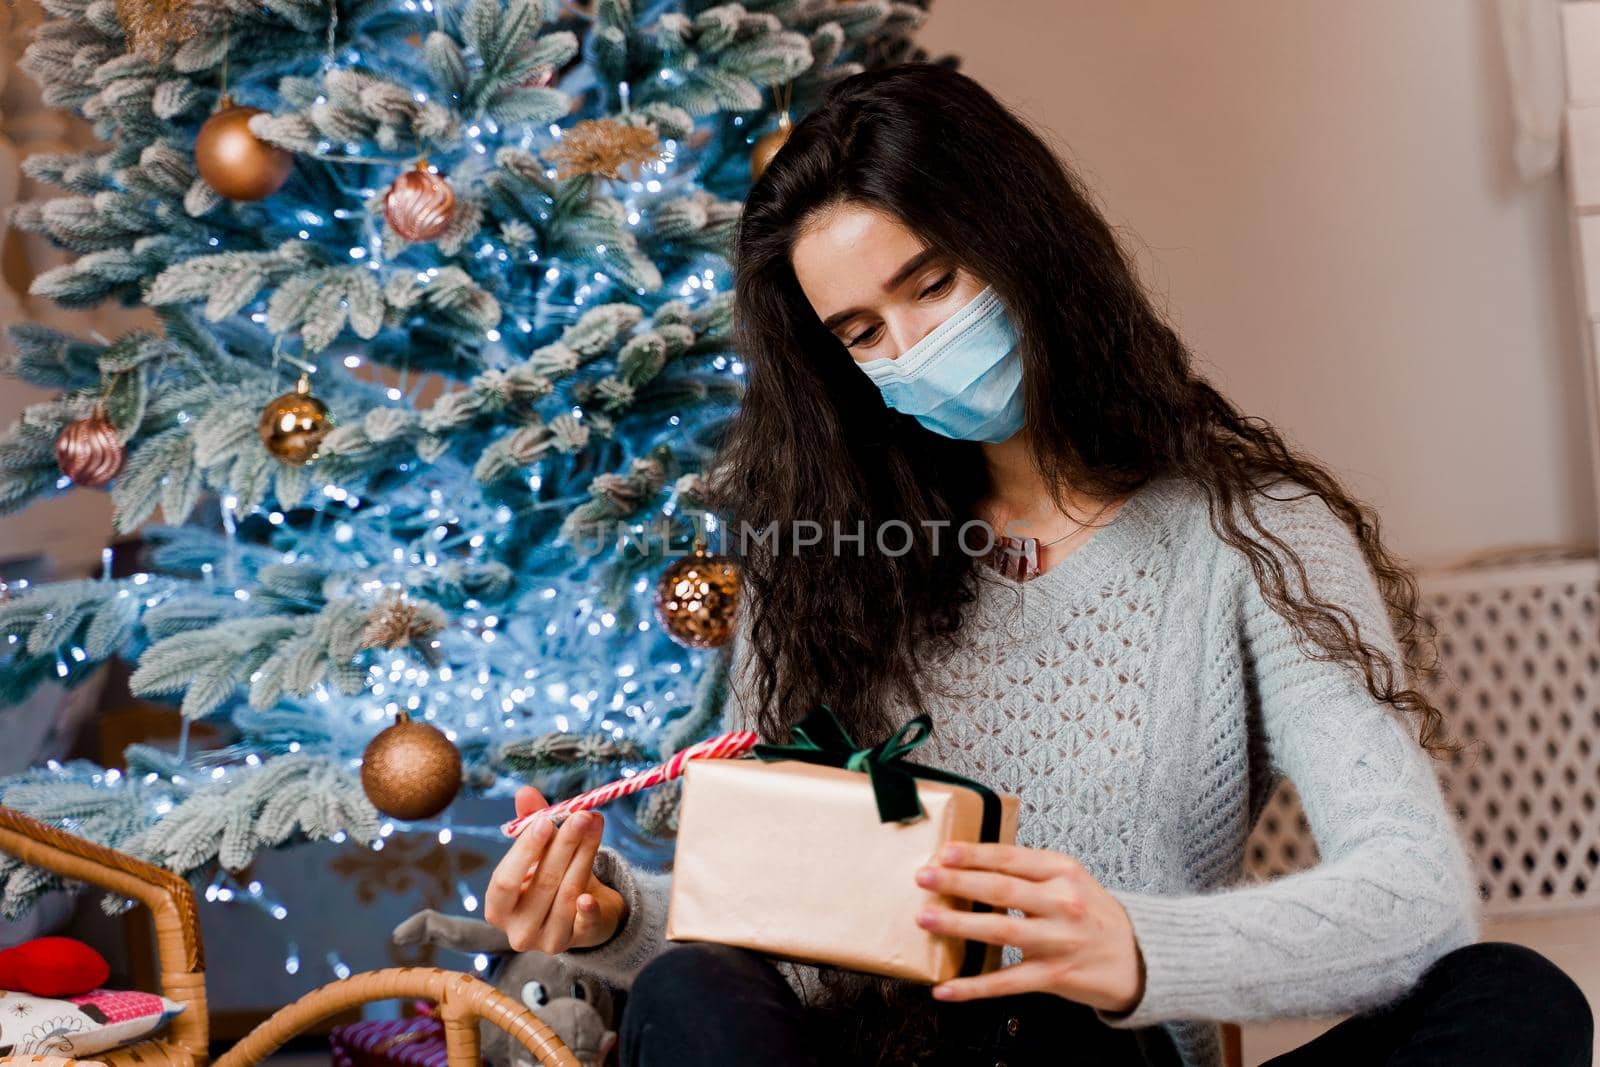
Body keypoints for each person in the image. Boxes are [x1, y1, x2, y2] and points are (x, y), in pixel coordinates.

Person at [483, 63, 1595, 1066]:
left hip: (1098, 1060)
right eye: (862, 332)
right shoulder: (819, 560)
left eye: (930, 283)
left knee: (1512, 999)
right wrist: (615, 917)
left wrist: (1135, 948)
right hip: (872, 1057)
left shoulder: (1252, 537)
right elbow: (784, 922)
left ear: (1024, 243)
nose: (909, 347)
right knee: (693, 983)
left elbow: (1414, 899)